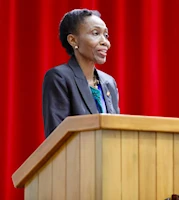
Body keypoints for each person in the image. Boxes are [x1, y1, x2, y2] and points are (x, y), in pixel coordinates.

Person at [42, 9, 120, 138]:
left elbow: (116, 132)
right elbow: (56, 137)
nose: (105, 42)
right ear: (73, 40)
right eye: (95, 33)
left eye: (106, 36)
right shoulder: (59, 78)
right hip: (76, 157)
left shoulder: (109, 82)